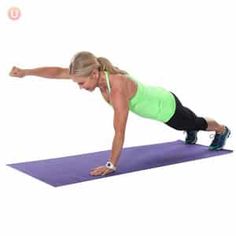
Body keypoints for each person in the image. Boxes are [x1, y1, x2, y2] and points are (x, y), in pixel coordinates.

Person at [9, 51, 231, 176]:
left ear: (94, 74)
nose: (79, 86)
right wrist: (26, 73)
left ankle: (222, 130)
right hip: (159, 98)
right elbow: (57, 72)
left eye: (81, 83)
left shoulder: (117, 89)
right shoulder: (95, 75)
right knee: (188, 124)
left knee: (195, 122)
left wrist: (110, 165)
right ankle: (190, 131)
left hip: (165, 107)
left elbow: (119, 131)